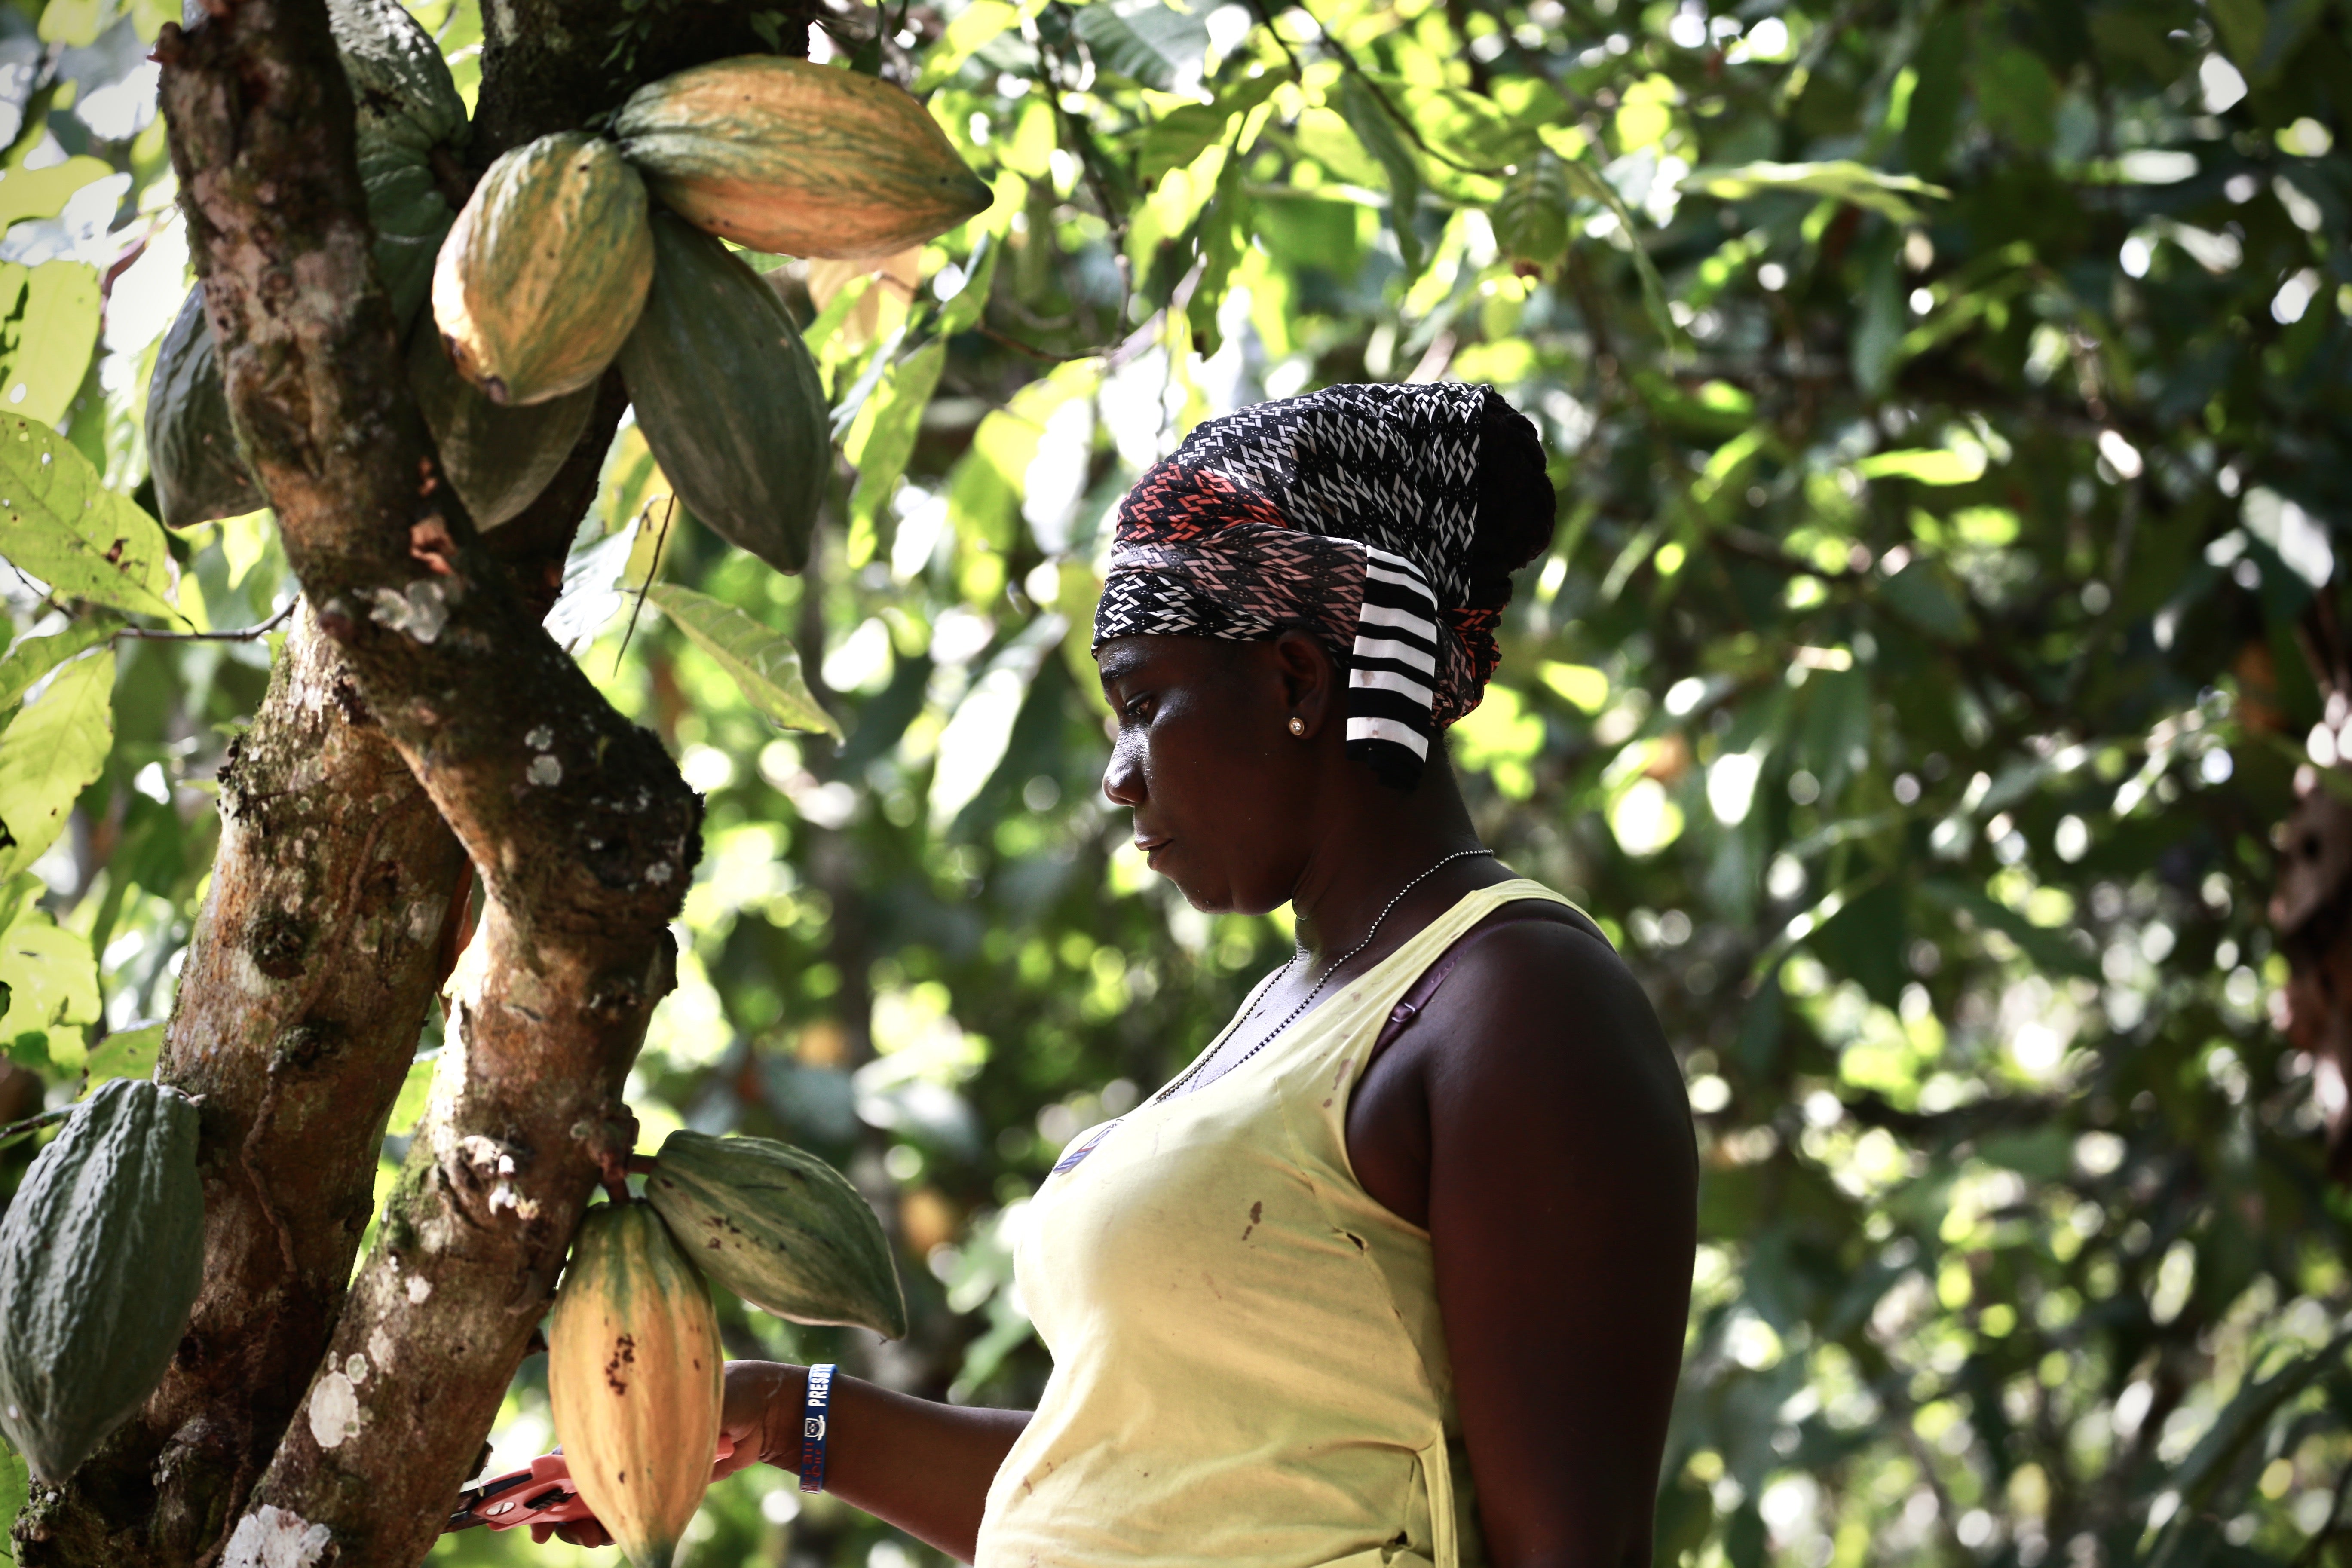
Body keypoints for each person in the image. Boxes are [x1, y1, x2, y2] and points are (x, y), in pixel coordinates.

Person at [535, 383, 1696, 1567]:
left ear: (1298, 680)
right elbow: (1142, 1490)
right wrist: (791, 1415)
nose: (1119, 779)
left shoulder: (1518, 1003)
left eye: (1144, 705)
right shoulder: (1293, 1009)